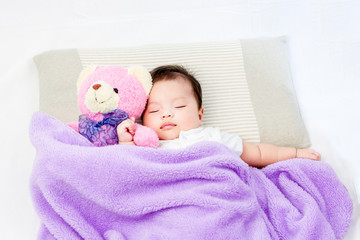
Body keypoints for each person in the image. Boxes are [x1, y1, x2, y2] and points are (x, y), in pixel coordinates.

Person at [117, 65, 321, 167]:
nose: (167, 113)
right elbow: (126, 167)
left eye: (178, 106)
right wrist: (125, 140)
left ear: (200, 113)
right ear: (143, 118)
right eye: (154, 110)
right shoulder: (147, 147)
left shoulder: (212, 138)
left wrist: (295, 153)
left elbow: (257, 152)